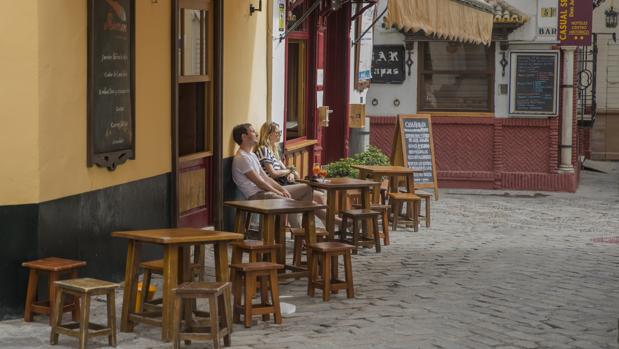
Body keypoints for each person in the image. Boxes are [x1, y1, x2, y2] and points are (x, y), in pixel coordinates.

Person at [232, 123, 314, 227]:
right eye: (252, 131)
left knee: (306, 188)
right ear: (244, 136)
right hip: (257, 195)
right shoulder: (241, 157)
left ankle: (302, 228)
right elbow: (260, 182)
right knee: (291, 203)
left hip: (266, 191)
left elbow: (265, 178)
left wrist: (282, 189)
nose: (256, 134)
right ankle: (299, 235)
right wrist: (278, 192)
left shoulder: (251, 155)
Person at [255, 121, 330, 224]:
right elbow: (273, 174)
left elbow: (291, 171)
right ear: (268, 134)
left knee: (320, 196)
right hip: (277, 186)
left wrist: (290, 172)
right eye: (277, 132)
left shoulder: (274, 151)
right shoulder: (263, 150)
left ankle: (326, 225)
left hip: (285, 184)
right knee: (309, 192)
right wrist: (289, 171)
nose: (280, 135)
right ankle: (311, 226)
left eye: (280, 132)